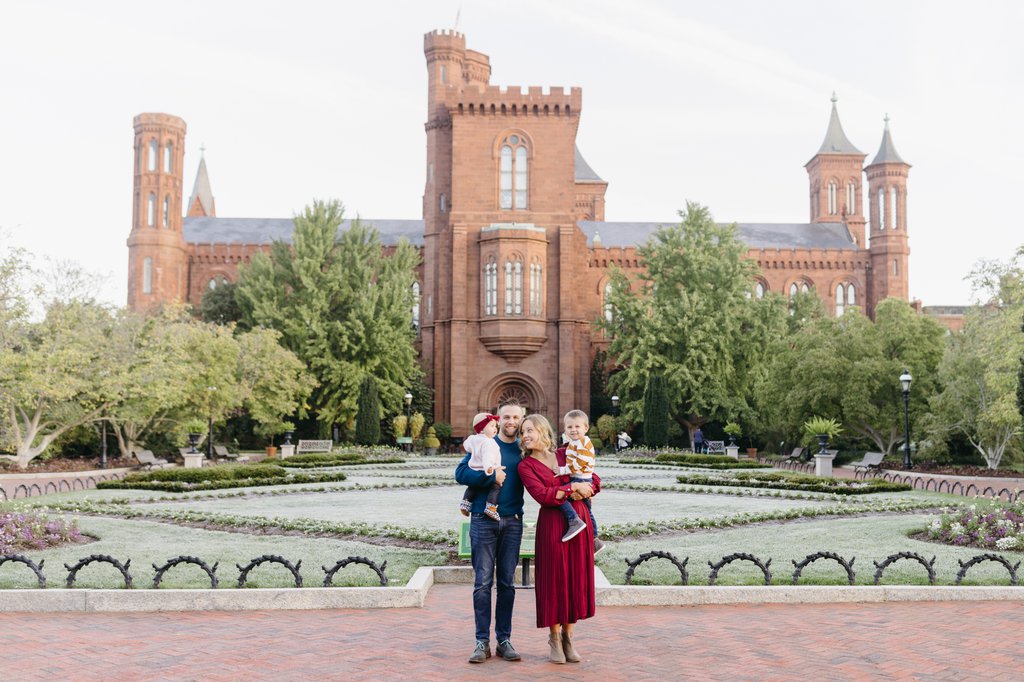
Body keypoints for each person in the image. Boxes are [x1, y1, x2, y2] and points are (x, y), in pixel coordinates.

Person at [518, 413, 600, 664]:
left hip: (580, 521)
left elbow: (592, 476)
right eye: (523, 432)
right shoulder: (526, 466)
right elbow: (543, 495)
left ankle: (569, 638)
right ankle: (554, 638)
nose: (525, 436)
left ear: (543, 431)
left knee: (575, 578)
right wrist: (571, 487)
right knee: (555, 579)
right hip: (553, 525)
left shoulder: (566, 453)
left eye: (530, 430)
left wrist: (586, 488)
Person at [454, 402, 525, 664]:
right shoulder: (485, 443)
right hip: (483, 520)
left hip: (513, 521)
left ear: (521, 420)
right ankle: (481, 642)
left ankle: (504, 640)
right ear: (498, 419)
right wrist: (490, 478)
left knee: (507, 584)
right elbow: (460, 473)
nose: (511, 421)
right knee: (482, 583)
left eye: (515, 417)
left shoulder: (524, 449)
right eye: (506, 416)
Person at [555, 410, 604, 554]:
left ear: (586, 428)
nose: (573, 430)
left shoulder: (584, 442)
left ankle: (575, 521)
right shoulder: (574, 442)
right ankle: (595, 540)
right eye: (569, 427)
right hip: (580, 478)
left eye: (577, 426)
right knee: (587, 509)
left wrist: (562, 470)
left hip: (581, 478)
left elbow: (580, 463)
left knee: (561, 496)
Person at [458, 413, 502, 521]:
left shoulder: (473, 439)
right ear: (482, 429)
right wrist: (489, 469)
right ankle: (491, 507)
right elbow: (488, 457)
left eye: (495, 426)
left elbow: (467, 446)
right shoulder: (489, 442)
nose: (495, 429)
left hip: (474, 467)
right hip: (486, 469)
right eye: (492, 426)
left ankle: (465, 503)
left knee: (473, 486)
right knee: (495, 487)